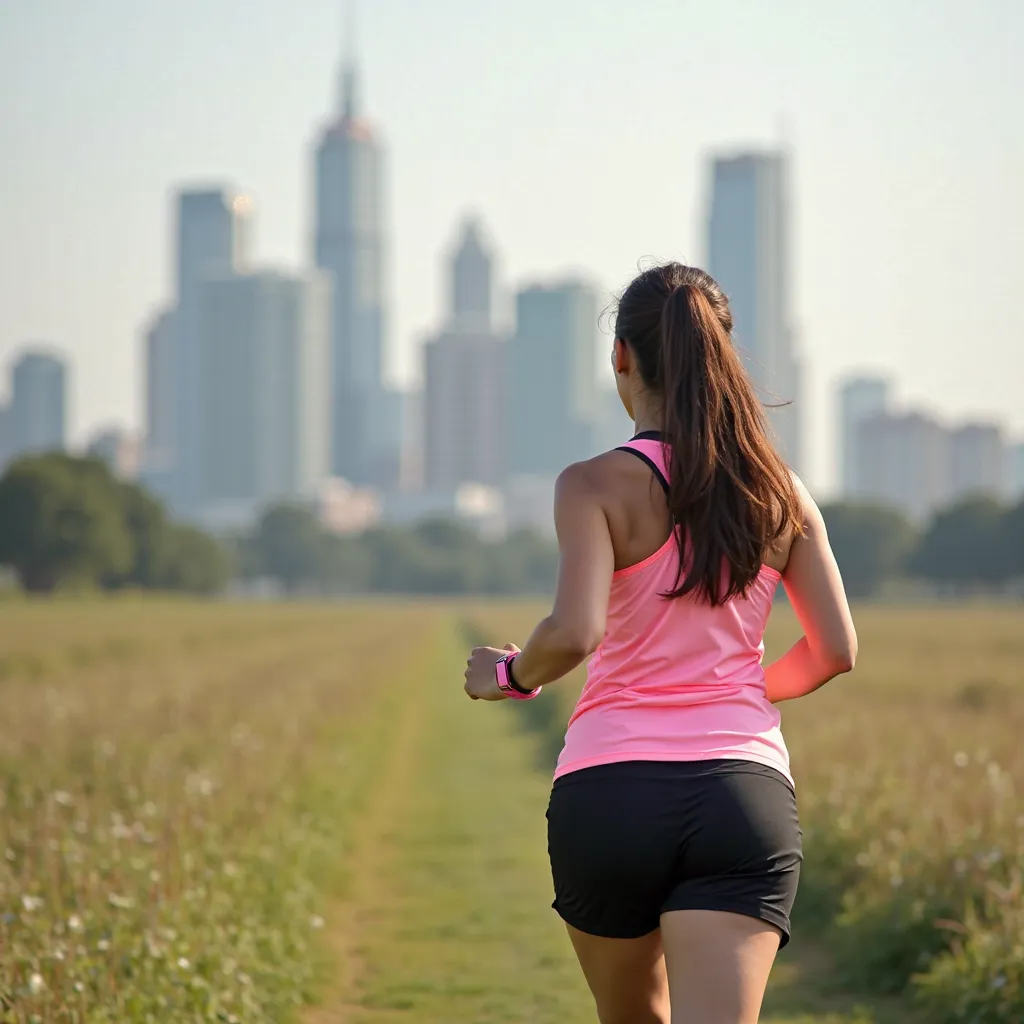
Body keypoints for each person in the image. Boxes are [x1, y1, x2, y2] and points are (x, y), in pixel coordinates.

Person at [463, 263, 857, 1024]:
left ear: (621, 356)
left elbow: (575, 632)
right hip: (742, 798)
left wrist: (507, 676)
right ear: (722, 355)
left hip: (610, 794)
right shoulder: (782, 490)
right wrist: (734, 692)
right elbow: (834, 650)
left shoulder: (592, 485)